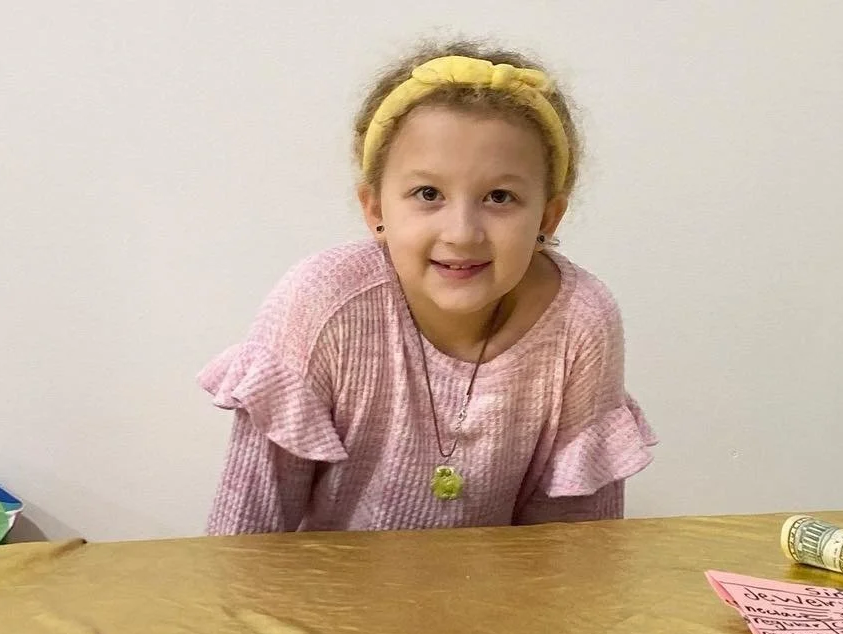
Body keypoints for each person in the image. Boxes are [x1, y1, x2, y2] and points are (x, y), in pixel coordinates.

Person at [199, 41, 655, 533]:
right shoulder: (322, 301)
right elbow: (247, 532)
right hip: (330, 584)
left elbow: (576, 542)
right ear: (376, 209)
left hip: (505, 585)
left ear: (547, 217)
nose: (462, 233)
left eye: (500, 197)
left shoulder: (581, 322)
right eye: (428, 193)